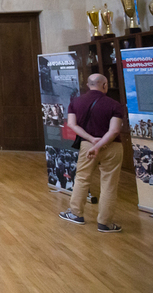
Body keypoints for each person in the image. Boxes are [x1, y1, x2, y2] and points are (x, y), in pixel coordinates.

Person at [59, 73, 125, 233]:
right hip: (112, 146)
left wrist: (92, 141)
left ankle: (76, 214)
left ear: (88, 85)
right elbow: (115, 130)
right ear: (105, 85)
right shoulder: (115, 104)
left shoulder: (75, 102)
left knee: (82, 179)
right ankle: (105, 223)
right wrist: (101, 144)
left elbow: (72, 125)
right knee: (109, 184)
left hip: (88, 146)